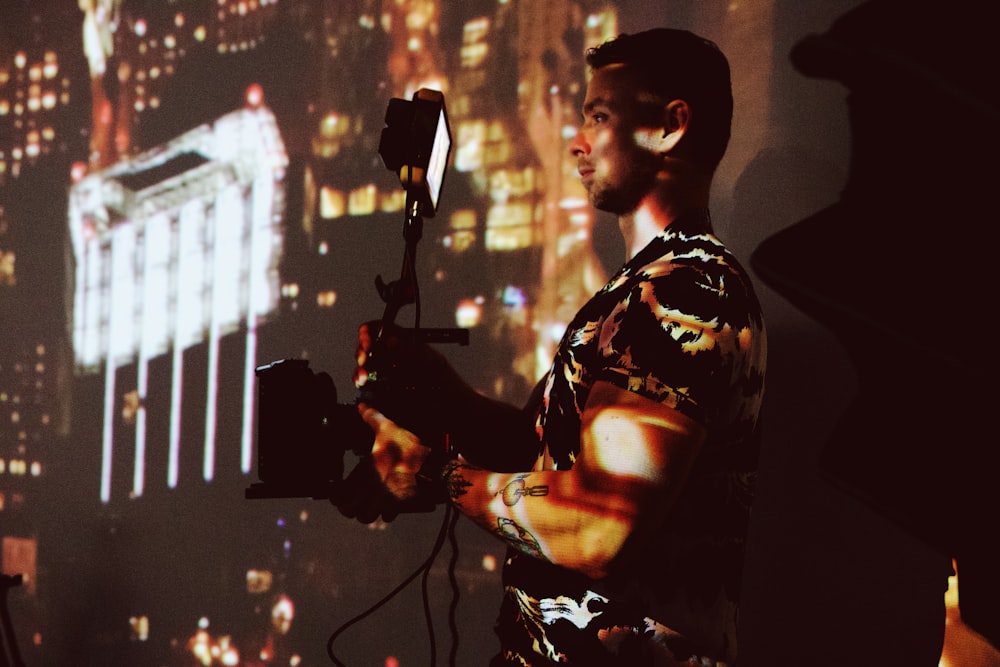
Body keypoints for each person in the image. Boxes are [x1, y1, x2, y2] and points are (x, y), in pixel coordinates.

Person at [348, 28, 767, 666]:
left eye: (600, 117)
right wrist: (446, 395)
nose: (576, 140)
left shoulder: (688, 294)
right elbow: (551, 461)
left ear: (670, 127)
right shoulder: (642, 290)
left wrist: (437, 476)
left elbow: (598, 525)